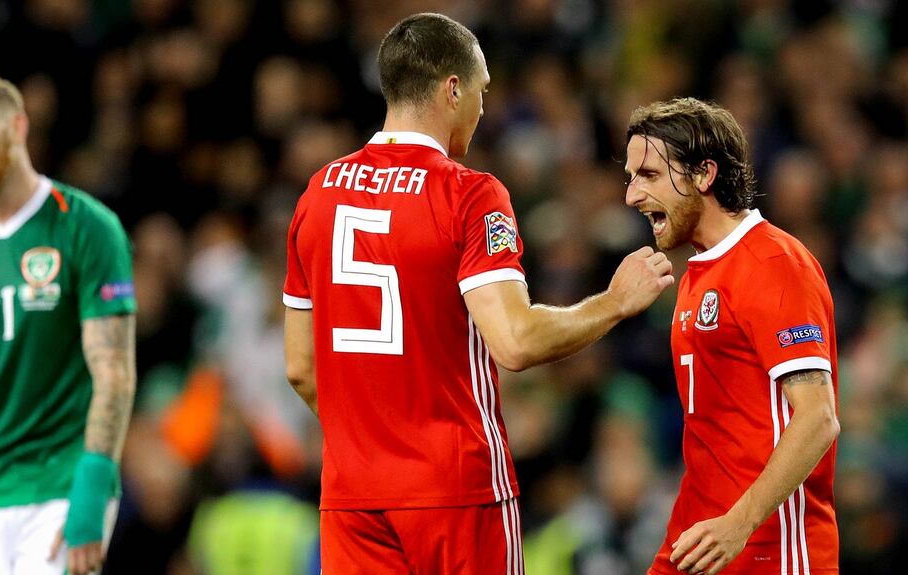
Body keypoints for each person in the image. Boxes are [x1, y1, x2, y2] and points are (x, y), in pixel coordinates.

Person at [282, 13, 674, 574]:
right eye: (483, 90)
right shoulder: (469, 194)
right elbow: (514, 342)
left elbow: (300, 368)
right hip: (455, 490)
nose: (484, 108)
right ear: (452, 88)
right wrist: (613, 302)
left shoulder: (316, 195)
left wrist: (373, 442)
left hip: (353, 494)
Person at [0, 72, 136, 575]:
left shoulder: (87, 226)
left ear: (16, 127)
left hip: (57, 484)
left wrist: (92, 488)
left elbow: (114, 369)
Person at [623, 98, 840, 575]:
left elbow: (818, 418)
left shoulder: (774, 264)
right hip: (698, 538)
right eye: (631, 177)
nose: (632, 196)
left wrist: (738, 524)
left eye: (649, 176)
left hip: (770, 547)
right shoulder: (697, 275)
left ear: (704, 175)